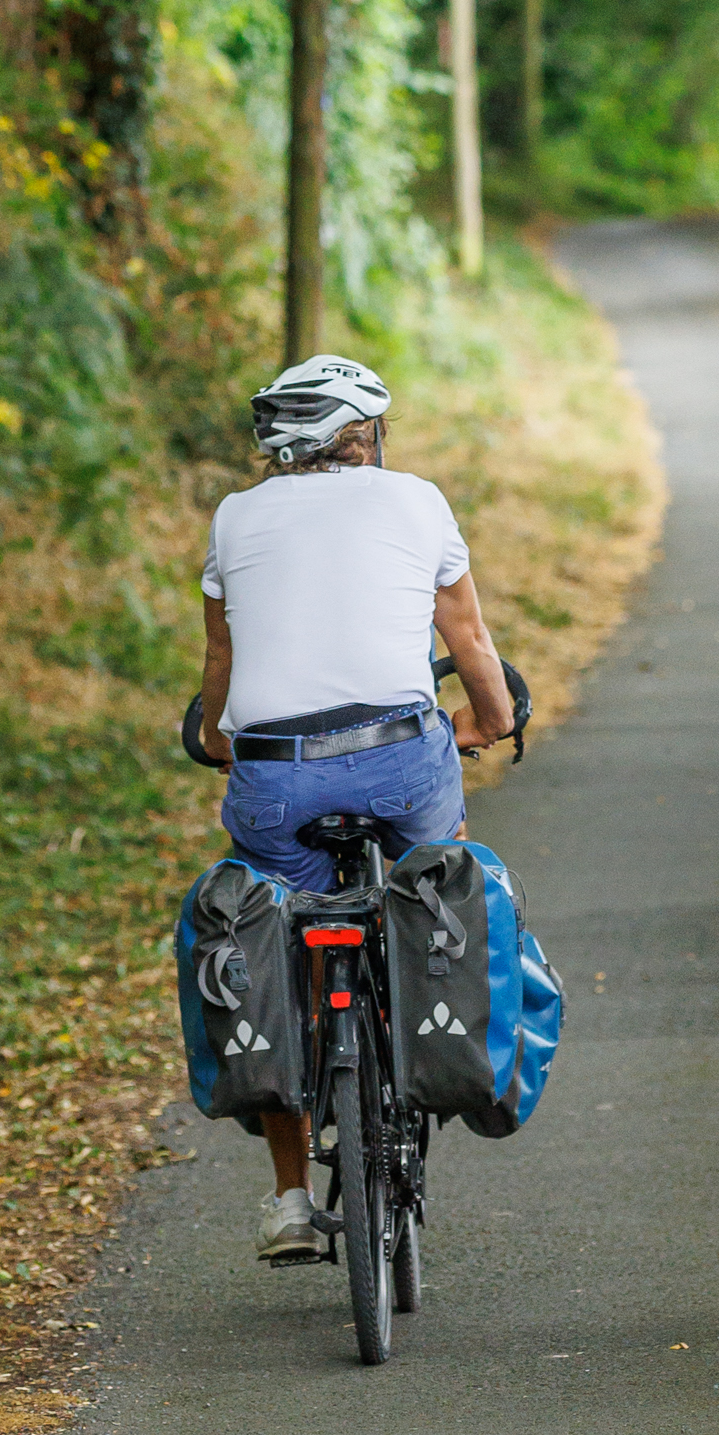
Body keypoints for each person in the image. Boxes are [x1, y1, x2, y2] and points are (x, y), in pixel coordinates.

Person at [195, 348, 520, 1262]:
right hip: (400, 758)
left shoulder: (234, 517)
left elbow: (221, 662)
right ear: (362, 434)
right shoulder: (416, 500)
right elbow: (468, 634)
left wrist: (219, 742)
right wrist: (490, 720)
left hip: (274, 775)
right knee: (437, 874)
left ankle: (291, 1198)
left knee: (271, 938)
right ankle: (439, 1031)